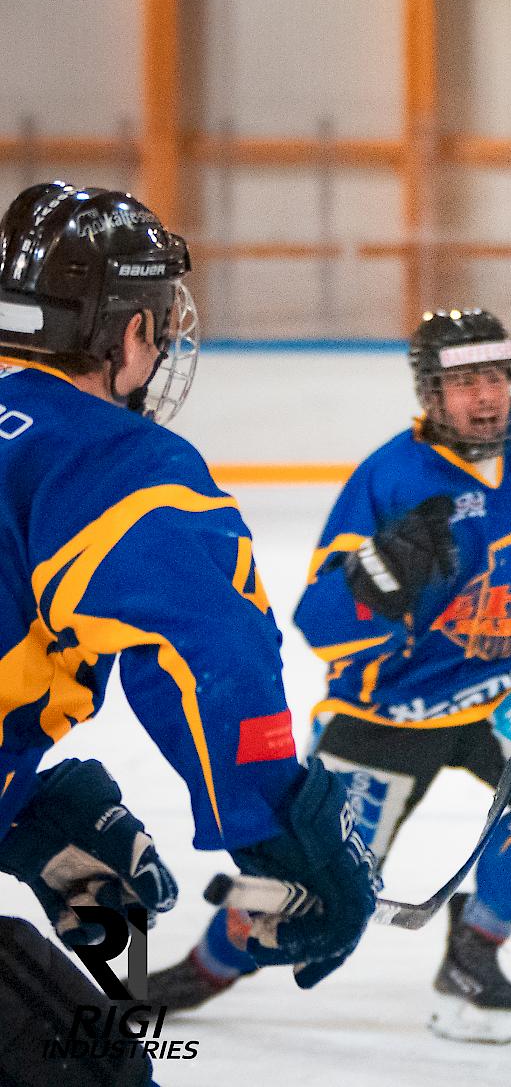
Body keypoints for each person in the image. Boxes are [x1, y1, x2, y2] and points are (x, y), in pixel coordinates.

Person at [150, 308, 511, 1044]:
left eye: (497, 377)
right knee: (314, 886)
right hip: (388, 709)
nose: (486, 397)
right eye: (464, 382)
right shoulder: (391, 477)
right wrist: (374, 584)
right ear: (430, 394)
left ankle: (475, 948)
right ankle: (210, 964)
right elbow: (319, 620)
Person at [0, 183, 377, 1078]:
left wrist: (16, 812)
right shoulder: (112, 459)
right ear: (130, 330)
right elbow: (204, 644)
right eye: (159, 320)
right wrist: (283, 835)